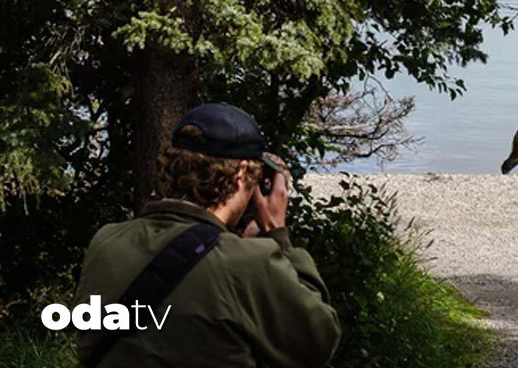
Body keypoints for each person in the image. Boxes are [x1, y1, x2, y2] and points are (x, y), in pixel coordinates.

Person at [75, 103, 341, 367]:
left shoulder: (106, 242)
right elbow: (318, 343)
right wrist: (277, 233)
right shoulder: (247, 263)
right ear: (240, 175)